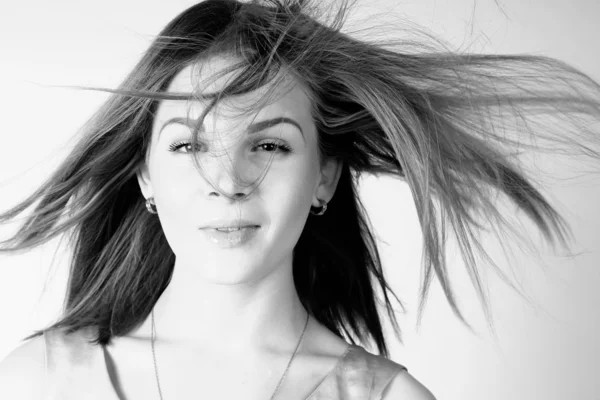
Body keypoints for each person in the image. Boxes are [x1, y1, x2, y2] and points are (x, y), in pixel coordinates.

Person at [0, 0, 599, 399]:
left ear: (325, 178)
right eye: (186, 146)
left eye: (269, 144)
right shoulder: (36, 383)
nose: (227, 179)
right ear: (146, 178)